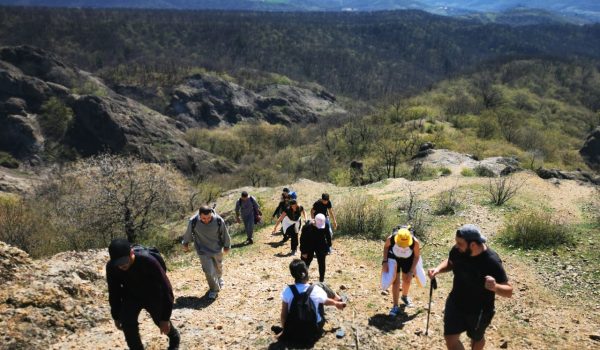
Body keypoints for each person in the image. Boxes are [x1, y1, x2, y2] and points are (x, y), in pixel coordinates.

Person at [428, 224, 513, 350]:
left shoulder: (491, 261)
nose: (456, 246)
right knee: (450, 338)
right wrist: (438, 269)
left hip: (479, 311)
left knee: (476, 339)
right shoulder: (458, 251)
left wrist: (495, 287)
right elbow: (451, 262)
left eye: (460, 243)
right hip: (455, 302)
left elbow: (509, 291)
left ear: (473, 245)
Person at [106, 238, 180, 350]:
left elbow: (166, 289)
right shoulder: (112, 267)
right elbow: (114, 291)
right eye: (118, 263)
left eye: (124, 261)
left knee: (160, 321)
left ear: (131, 253)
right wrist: (116, 315)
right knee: (127, 323)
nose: (122, 266)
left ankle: (174, 337)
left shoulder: (148, 261)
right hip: (131, 294)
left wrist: (165, 318)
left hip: (153, 293)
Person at [279, 259, 346, 345]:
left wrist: (285, 330)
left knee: (316, 294)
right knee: (319, 298)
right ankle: (338, 298)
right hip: (313, 328)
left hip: (294, 328)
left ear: (292, 274)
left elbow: (283, 314)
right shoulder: (315, 289)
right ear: (306, 272)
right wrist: (336, 303)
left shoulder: (288, 290)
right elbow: (325, 301)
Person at [182, 205, 231, 299]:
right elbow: (188, 234)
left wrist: (227, 245)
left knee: (218, 266)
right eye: (204, 218)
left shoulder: (218, 220)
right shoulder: (193, 221)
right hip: (202, 250)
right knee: (208, 271)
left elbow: (224, 233)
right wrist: (185, 244)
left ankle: (219, 278)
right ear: (199, 215)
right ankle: (214, 289)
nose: (206, 220)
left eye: (209, 217)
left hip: (216, 248)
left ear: (211, 214)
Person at [382, 226, 421, 315]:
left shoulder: (415, 242)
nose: (403, 247)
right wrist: (385, 261)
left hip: (408, 258)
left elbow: (416, 256)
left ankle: (404, 297)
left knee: (407, 279)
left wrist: (411, 271)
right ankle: (395, 306)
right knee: (395, 281)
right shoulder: (391, 238)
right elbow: (386, 247)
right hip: (394, 258)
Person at [300, 214, 331, 282]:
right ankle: (303, 279)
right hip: (308, 245)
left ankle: (322, 280)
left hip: (321, 245)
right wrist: (303, 252)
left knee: (322, 263)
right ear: (315, 221)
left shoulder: (326, 225)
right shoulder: (307, 227)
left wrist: (328, 247)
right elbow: (302, 240)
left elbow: (328, 236)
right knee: (305, 262)